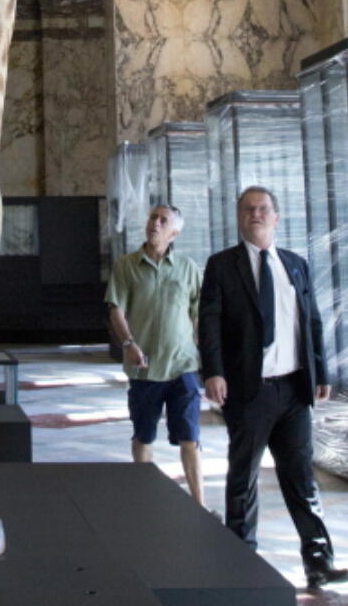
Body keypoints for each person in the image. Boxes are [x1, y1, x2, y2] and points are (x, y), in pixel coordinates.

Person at [199, 185, 348, 591]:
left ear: (276, 217)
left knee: (301, 478)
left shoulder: (295, 265)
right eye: (248, 209)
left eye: (263, 208)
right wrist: (212, 372)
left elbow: (312, 322)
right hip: (249, 391)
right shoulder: (222, 266)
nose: (256, 214)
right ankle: (239, 560)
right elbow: (209, 323)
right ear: (239, 218)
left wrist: (320, 372)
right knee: (243, 478)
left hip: (293, 392)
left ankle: (319, 561)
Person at [106, 203, 205, 502]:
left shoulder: (188, 268)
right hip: (144, 368)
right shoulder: (126, 266)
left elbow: (198, 313)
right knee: (143, 436)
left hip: (183, 367)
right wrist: (128, 344)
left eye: (163, 221)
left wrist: (203, 352)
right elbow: (116, 310)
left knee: (190, 438)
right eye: (152, 218)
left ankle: (199, 503)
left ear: (174, 232)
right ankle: (144, 500)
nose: (155, 224)